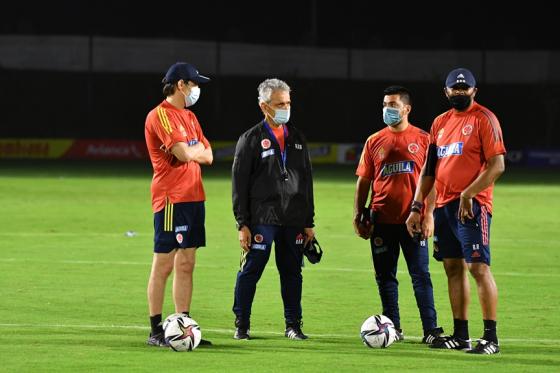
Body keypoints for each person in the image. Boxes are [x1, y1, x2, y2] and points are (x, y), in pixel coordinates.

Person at [406, 68, 506, 354]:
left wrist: (469, 194)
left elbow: (497, 164)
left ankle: (490, 338)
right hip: (443, 206)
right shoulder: (439, 123)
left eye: (465, 89)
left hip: (472, 207)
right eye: (455, 89)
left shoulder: (484, 119)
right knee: (452, 268)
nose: (460, 93)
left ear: (474, 91)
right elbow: (429, 169)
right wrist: (417, 206)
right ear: (446, 92)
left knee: (478, 267)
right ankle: (461, 335)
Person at [353, 85, 444, 345]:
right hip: (381, 219)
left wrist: (429, 215)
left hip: (413, 221)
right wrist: (359, 214)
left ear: (407, 108)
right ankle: (393, 327)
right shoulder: (374, 141)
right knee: (385, 277)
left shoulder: (425, 139)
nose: (387, 109)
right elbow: (363, 181)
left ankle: (430, 329)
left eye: (392, 105)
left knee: (421, 275)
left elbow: (432, 181)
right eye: (384, 105)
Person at [231, 78, 315, 340]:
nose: (286, 108)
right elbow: (239, 184)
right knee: (251, 270)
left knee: (292, 273)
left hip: (293, 219)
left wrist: (309, 221)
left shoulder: (298, 138)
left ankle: (293, 325)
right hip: (261, 219)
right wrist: (242, 223)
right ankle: (242, 324)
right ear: (264, 106)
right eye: (280, 104)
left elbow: (307, 182)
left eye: (288, 103)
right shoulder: (250, 139)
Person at [144, 62, 213, 347]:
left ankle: (184, 326)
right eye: (195, 83)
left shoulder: (190, 117)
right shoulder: (160, 115)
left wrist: (193, 151)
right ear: (181, 84)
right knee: (164, 265)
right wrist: (193, 150)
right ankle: (156, 329)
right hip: (172, 199)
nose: (197, 88)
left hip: (195, 197)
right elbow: (186, 154)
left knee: (187, 264)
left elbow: (208, 156)